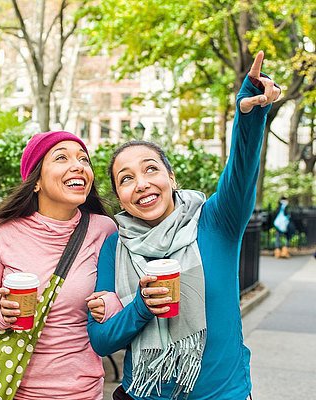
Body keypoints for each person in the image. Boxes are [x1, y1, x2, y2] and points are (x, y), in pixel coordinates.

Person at [86, 51, 281, 400]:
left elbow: (241, 169)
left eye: (150, 169)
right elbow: (101, 341)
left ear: (171, 178)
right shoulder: (115, 247)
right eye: (126, 179)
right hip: (143, 393)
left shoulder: (215, 220)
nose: (141, 183)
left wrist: (248, 115)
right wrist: (142, 307)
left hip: (223, 393)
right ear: (119, 196)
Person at [0, 130, 117, 399]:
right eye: (62, 158)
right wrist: (3, 316)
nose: (78, 166)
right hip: (13, 387)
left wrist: (111, 304)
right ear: (35, 181)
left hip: (82, 388)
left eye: (84, 159)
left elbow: (121, 297)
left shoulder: (104, 229)